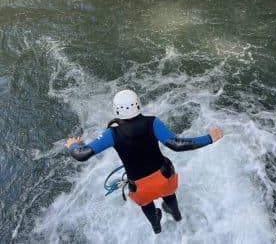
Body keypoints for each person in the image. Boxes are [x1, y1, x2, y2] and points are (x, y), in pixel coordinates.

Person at [65, 89, 223, 234]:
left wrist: (72, 143)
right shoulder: (152, 122)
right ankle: (177, 216)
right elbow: (176, 144)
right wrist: (209, 138)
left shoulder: (111, 133)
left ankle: (156, 226)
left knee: (147, 205)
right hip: (164, 177)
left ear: (116, 110)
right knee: (169, 195)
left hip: (140, 187)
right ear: (138, 104)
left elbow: (81, 154)